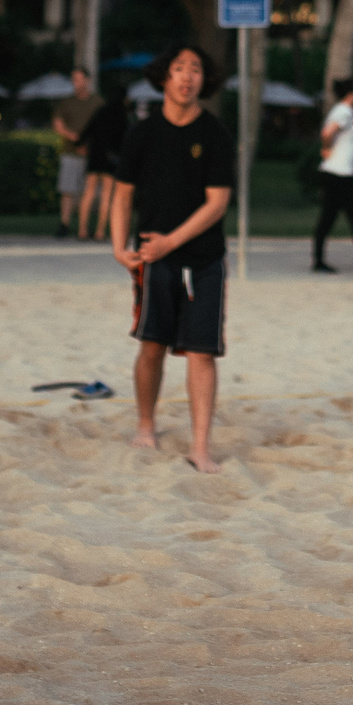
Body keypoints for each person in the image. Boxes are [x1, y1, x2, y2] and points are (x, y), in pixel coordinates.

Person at [111, 42, 233, 473]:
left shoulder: (214, 133)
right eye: (179, 68)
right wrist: (117, 246)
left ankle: (200, 447)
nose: (187, 77)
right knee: (152, 345)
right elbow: (122, 193)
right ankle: (146, 424)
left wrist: (172, 241)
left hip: (204, 258)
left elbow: (217, 203)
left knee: (202, 352)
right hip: (152, 257)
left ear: (204, 80)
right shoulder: (141, 132)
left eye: (195, 69)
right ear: (164, 77)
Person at [312, 78, 353, 277]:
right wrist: (325, 148)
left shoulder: (344, 111)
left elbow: (347, 147)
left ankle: (319, 260)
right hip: (339, 175)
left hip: (339, 174)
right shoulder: (343, 111)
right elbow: (327, 132)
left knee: (331, 217)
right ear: (351, 91)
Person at [50, 69, 103, 239]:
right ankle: (64, 223)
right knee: (68, 190)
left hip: (92, 154)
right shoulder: (67, 103)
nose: (77, 83)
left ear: (87, 80)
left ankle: (88, 228)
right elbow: (58, 124)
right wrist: (73, 138)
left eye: (80, 79)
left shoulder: (97, 102)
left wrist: (91, 145)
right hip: (71, 153)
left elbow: (105, 126)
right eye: (74, 80)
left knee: (91, 192)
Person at [76, 89, 128, 240]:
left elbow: (87, 130)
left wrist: (79, 143)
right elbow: (124, 139)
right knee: (106, 195)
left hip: (95, 155)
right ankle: (100, 231)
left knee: (88, 192)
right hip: (111, 157)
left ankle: (82, 230)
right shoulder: (121, 116)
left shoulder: (100, 112)